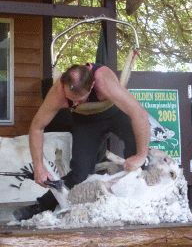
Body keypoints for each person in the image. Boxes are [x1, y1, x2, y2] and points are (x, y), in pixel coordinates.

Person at [13, 63, 150, 221]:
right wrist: (38, 167)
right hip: (86, 121)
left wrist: (141, 155)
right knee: (80, 172)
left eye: (79, 100)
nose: (75, 104)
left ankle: (143, 203)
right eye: (70, 101)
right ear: (63, 84)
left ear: (92, 86)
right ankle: (42, 205)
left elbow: (140, 114)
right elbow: (36, 127)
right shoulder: (58, 92)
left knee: (136, 160)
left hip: (115, 114)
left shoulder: (105, 83)